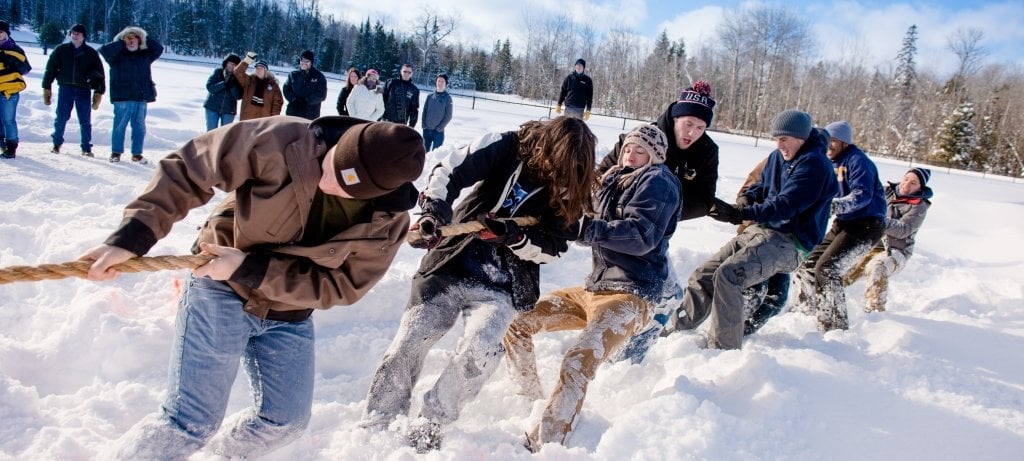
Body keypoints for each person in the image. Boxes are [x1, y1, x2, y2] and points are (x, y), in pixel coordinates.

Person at [78, 116, 426, 460]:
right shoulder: (287, 140)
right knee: (189, 424)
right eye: (332, 164)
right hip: (220, 285)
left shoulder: (387, 224)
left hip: (289, 310)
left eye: (345, 185)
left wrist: (252, 269)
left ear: (378, 194)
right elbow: (190, 166)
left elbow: (342, 286)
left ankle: (220, 456)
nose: (325, 180)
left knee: (286, 422)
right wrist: (133, 237)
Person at [360, 116, 596, 452]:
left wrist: (514, 237)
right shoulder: (508, 145)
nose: (558, 173)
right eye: (555, 162)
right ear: (545, 147)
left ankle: (432, 422)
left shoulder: (568, 185)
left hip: (503, 285)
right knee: (412, 338)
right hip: (451, 264)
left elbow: (553, 249)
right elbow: (451, 169)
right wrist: (434, 213)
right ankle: (380, 419)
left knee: (482, 349)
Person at [503, 125, 679, 451]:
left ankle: (547, 443)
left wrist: (584, 228)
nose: (631, 154)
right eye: (628, 148)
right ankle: (527, 400)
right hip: (593, 290)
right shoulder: (613, 177)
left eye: (640, 151)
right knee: (517, 322)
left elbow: (641, 235)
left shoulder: (659, 182)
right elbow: (576, 206)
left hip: (631, 296)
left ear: (655, 156)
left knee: (578, 359)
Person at [680, 109, 838, 350]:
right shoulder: (778, 157)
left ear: (801, 137)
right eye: (776, 138)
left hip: (790, 241)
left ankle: (723, 350)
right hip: (762, 230)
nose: (779, 144)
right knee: (704, 274)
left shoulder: (816, 166)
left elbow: (786, 205)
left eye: (784, 139)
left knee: (730, 275)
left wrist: (739, 215)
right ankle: (676, 332)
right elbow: (762, 186)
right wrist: (746, 198)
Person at [602, 81, 720, 362]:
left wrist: (665, 210)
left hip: (656, 234)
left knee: (660, 297)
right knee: (662, 296)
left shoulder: (707, 151)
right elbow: (603, 174)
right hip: (623, 230)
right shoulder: (645, 137)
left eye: (700, 127)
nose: (692, 132)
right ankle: (622, 358)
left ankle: (622, 353)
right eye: (688, 123)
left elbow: (705, 199)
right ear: (675, 117)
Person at [791, 120, 886, 332]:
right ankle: (807, 309)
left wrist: (833, 206)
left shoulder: (858, 161)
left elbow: (862, 195)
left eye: (833, 141)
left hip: (867, 225)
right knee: (807, 262)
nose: (828, 146)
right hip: (844, 222)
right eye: (826, 141)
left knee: (828, 268)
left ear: (844, 142)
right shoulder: (829, 163)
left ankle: (835, 325)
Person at [843, 168, 933, 313]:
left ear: (920, 187)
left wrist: (877, 220)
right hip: (870, 245)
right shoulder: (885, 192)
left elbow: (904, 230)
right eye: (906, 179)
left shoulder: (919, 206)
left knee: (878, 267)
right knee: (842, 270)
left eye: (913, 183)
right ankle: (822, 301)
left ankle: (876, 312)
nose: (906, 184)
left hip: (895, 251)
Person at [99, 26, 163, 164]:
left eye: (134, 38)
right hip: (122, 98)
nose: (131, 41)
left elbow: (159, 49)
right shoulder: (115, 56)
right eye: (128, 39)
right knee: (119, 126)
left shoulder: (145, 56)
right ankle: (116, 153)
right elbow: (103, 50)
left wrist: (143, 36)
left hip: (140, 97)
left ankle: (137, 154)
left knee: (139, 127)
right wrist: (121, 42)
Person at [42, 23, 105, 157]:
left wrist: (99, 92)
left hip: (84, 90)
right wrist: (46, 87)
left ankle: (86, 148)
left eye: (78, 34)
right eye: (73, 33)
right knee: (61, 117)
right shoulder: (61, 50)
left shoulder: (91, 53)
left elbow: (100, 74)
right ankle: (56, 144)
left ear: (84, 37)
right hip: (66, 88)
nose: (75, 36)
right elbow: (50, 69)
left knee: (85, 120)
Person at [0, 20, 29, 159]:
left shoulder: (15, 50)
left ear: (6, 34)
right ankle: (2, 145)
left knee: (8, 120)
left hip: (10, 91)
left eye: (0, 32)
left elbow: (26, 68)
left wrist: (11, 61)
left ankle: (11, 148)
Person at [234, 52, 283, 121]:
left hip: (264, 119)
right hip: (248, 117)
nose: (258, 70)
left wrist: (273, 119)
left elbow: (277, 103)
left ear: (265, 70)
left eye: (261, 68)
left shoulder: (273, 85)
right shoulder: (249, 81)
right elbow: (238, 72)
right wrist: (247, 60)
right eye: (257, 68)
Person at [203, 53, 243, 131]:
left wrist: (232, 86)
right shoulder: (218, 72)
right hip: (212, 107)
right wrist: (224, 84)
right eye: (230, 63)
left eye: (235, 65)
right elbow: (210, 88)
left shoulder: (239, 78)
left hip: (229, 110)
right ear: (226, 63)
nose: (232, 66)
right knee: (211, 132)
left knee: (225, 134)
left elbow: (238, 96)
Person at [283, 50, 327, 120]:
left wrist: (307, 100)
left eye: (307, 61)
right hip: (293, 112)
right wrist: (293, 99)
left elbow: (321, 95)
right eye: (302, 60)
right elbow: (286, 89)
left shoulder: (319, 76)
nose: (304, 63)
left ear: (311, 62)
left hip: (310, 114)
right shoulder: (293, 75)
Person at [420, 73, 453, 152]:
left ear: (446, 84)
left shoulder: (448, 98)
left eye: (442, 81)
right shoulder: (430, 96)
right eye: (438, 81)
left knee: (435, 155)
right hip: (427, 130)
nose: (440, 83)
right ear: (436, 82)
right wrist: (424, 125)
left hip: (438, 132)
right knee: (424, 152)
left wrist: (439, 128)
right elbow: (424, 111)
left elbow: (448, 116)